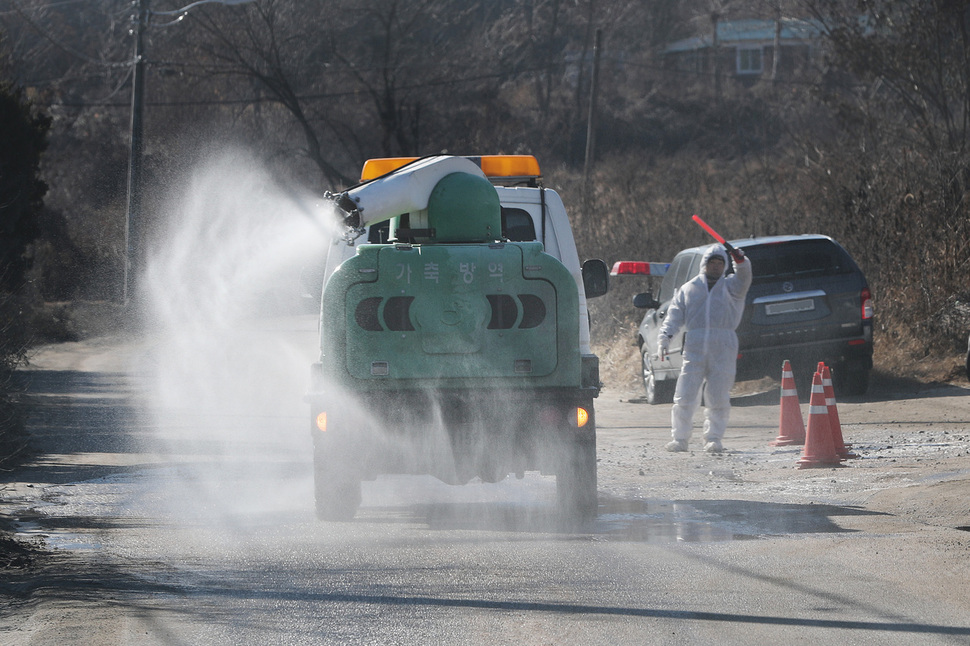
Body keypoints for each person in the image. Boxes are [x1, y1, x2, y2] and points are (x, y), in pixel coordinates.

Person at [658, 243, 752, 453]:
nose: (716, 267)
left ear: (725, 265)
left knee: (718, 395)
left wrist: (741, 261)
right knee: (685, 394)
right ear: (705, 264)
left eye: (720, 263)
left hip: (724, 345)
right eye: (713, 263)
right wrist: (665, 338)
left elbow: (745, 275)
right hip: (695, 346)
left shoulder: (733, 287)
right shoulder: (690, 289)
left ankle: (713, 439)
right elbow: (674, 317)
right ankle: (680, 439)